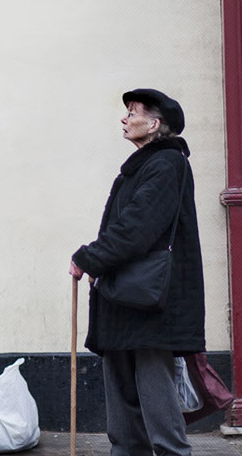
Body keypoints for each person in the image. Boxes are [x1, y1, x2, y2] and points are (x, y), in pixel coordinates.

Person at [68, 88, 206, 456]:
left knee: (154, 394)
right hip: (126, 299)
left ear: (155, 123)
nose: (124, 118)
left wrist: (89, 258)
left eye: (133, 112)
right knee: (123, 396)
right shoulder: (143, 168)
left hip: (149, 302)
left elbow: (137, 227)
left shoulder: (167, 164)